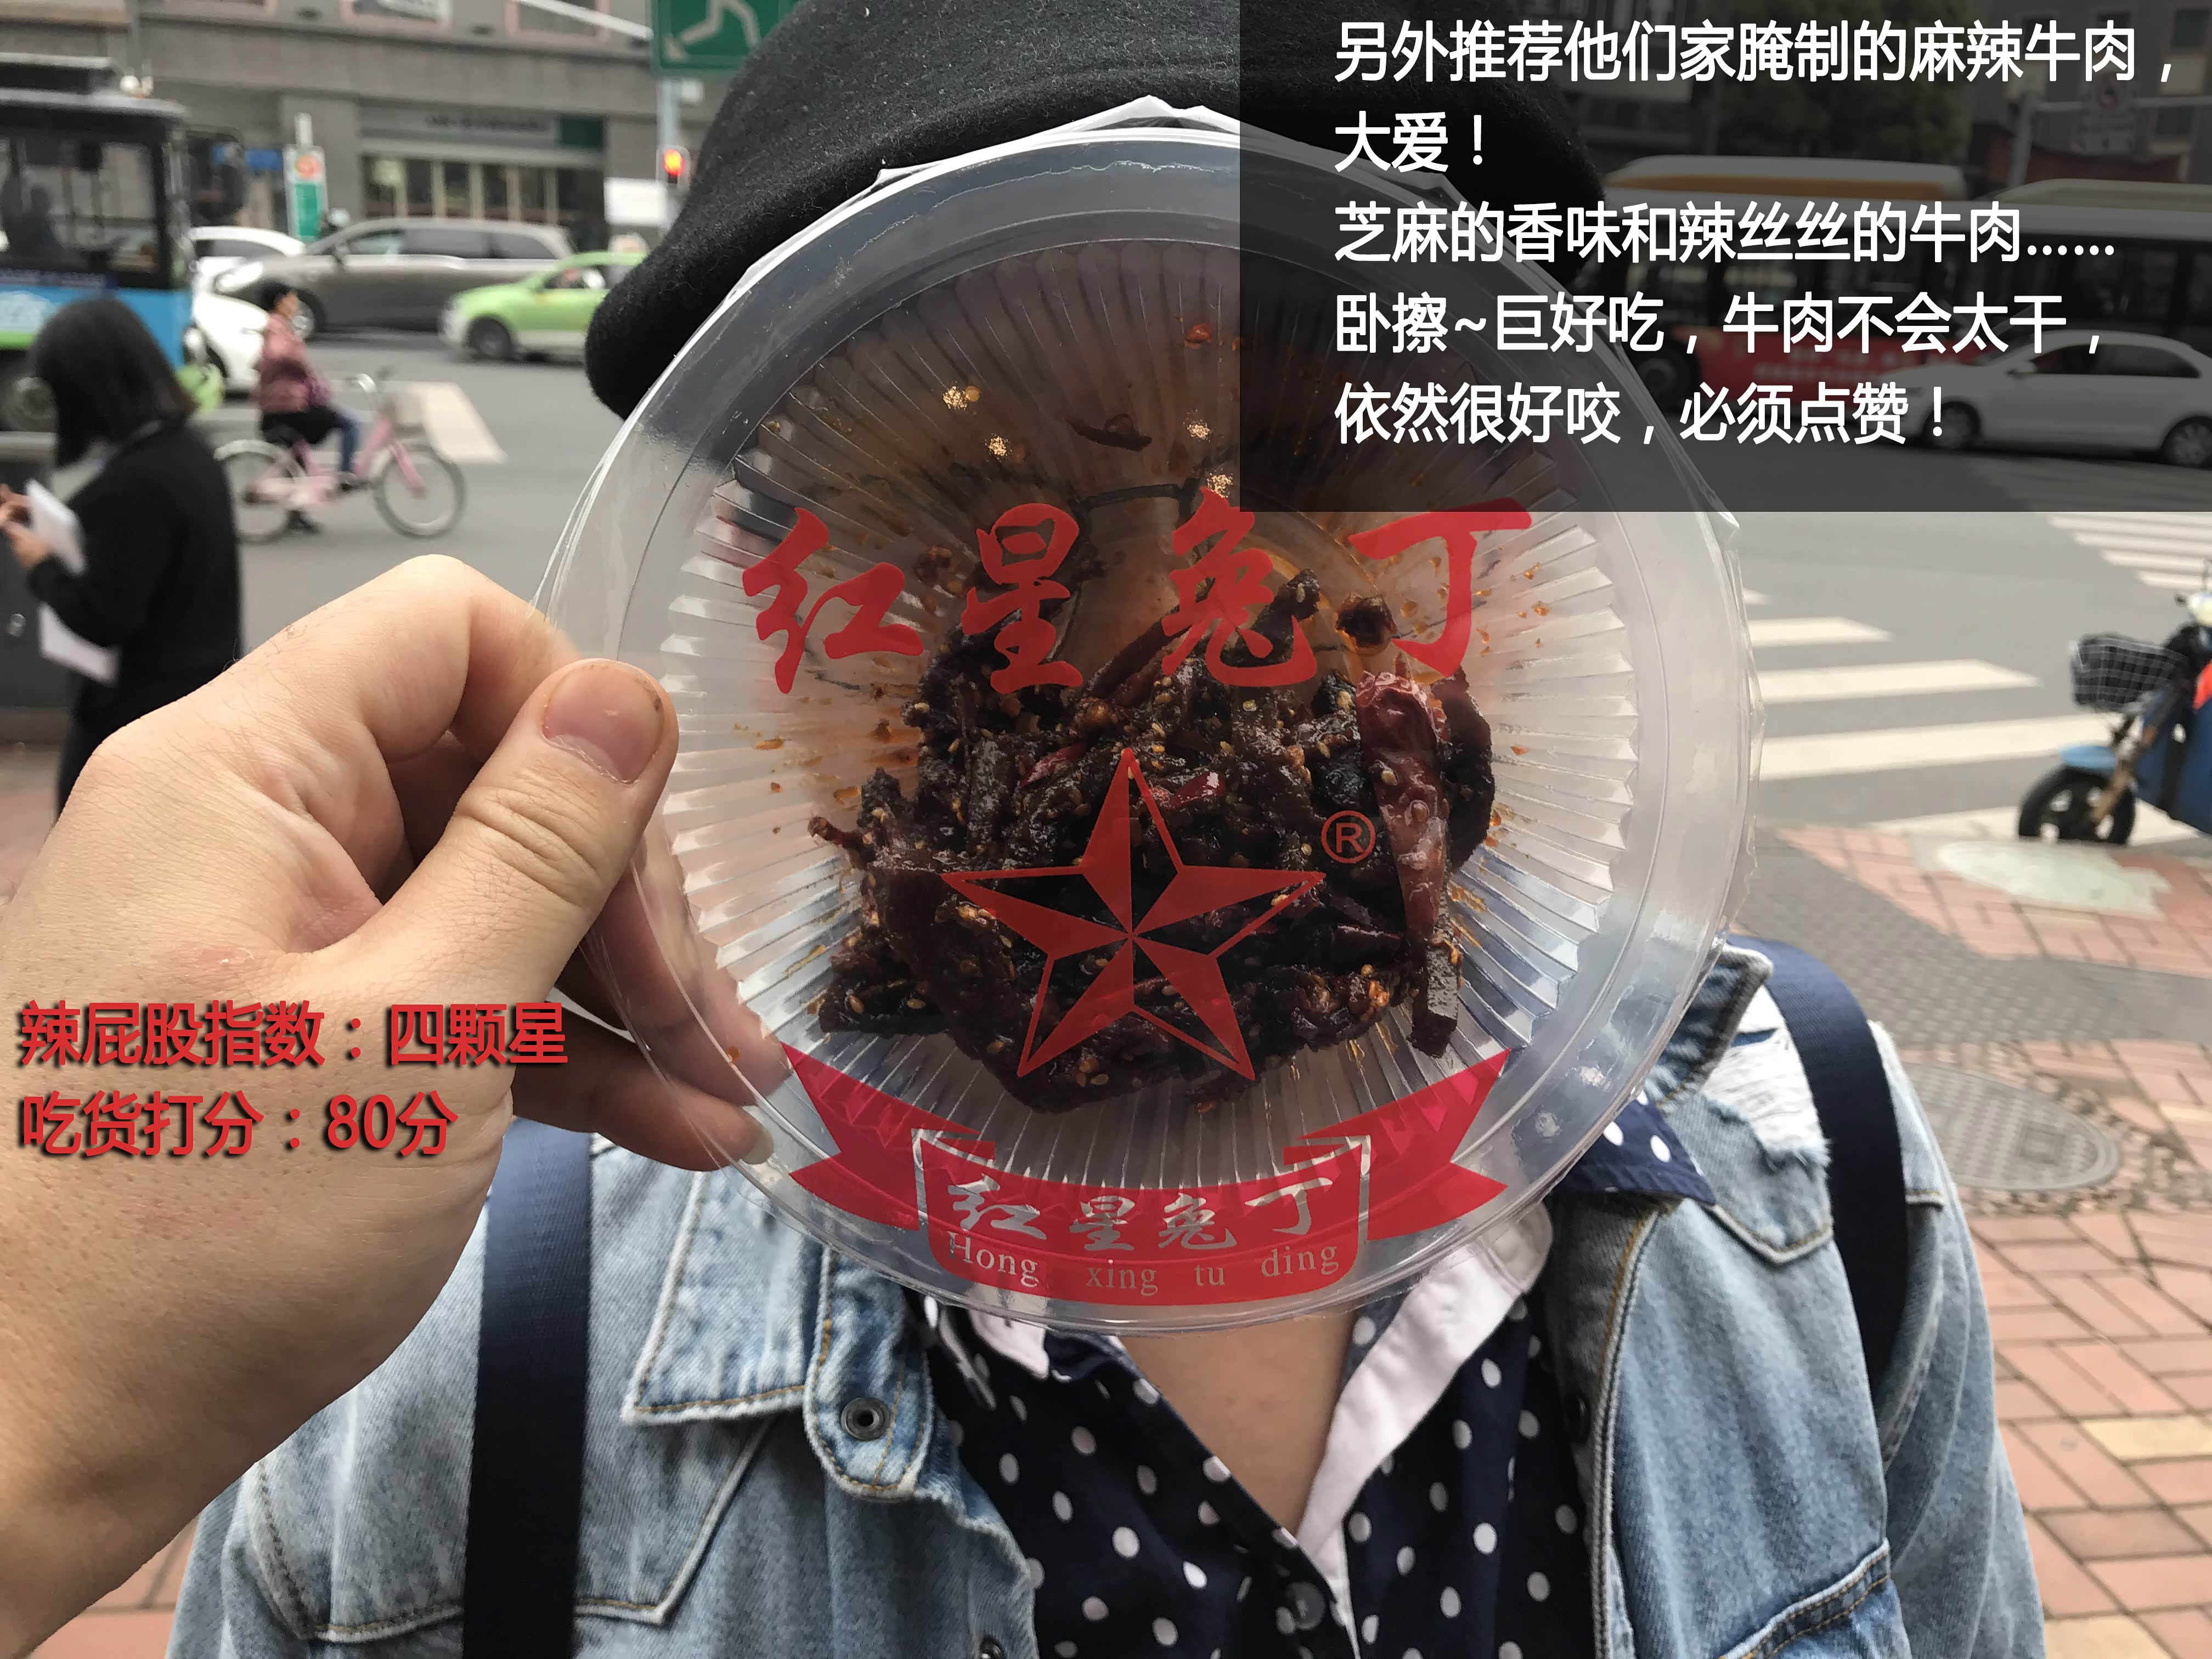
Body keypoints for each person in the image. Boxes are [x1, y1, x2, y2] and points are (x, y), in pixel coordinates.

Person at [5, 8, 2042, 1658]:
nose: (1161, 649)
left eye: (1312, 474)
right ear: (753, 639)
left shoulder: (1821, 1175)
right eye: (967, 526)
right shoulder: (440, 1331)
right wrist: (53, 1394)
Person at [0, 297, 242, 810]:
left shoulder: (133, 484)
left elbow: (101, 617)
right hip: (202, 702)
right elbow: (143, 545)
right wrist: (45, 514)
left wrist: (38, 562)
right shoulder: (190, 453)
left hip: (135, 723)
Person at [255, 288, 364, 531]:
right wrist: (300, 364)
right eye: (291, 299)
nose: (295, 304)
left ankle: (297, 517)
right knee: (351, 423)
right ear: (280, 302)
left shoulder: (278, 327)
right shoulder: (275, 328)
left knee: (299, 463)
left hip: (281, 407)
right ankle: (346, 476)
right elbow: (278, 354)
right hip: (288, 409)